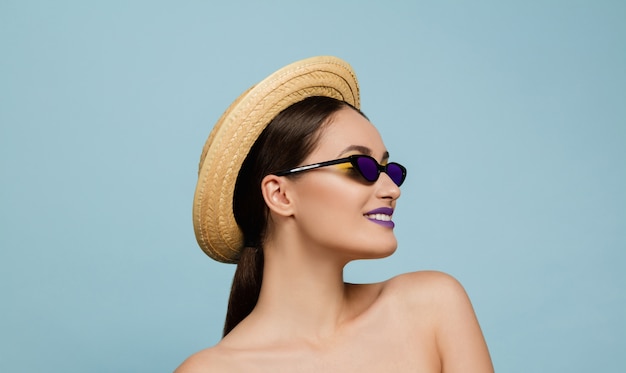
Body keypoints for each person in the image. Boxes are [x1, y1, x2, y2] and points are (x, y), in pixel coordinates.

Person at [176, 56, 493, 372]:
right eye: (360, 166)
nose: (392, 189)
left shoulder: (432, 306)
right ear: (280, 194)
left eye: (389, 169)